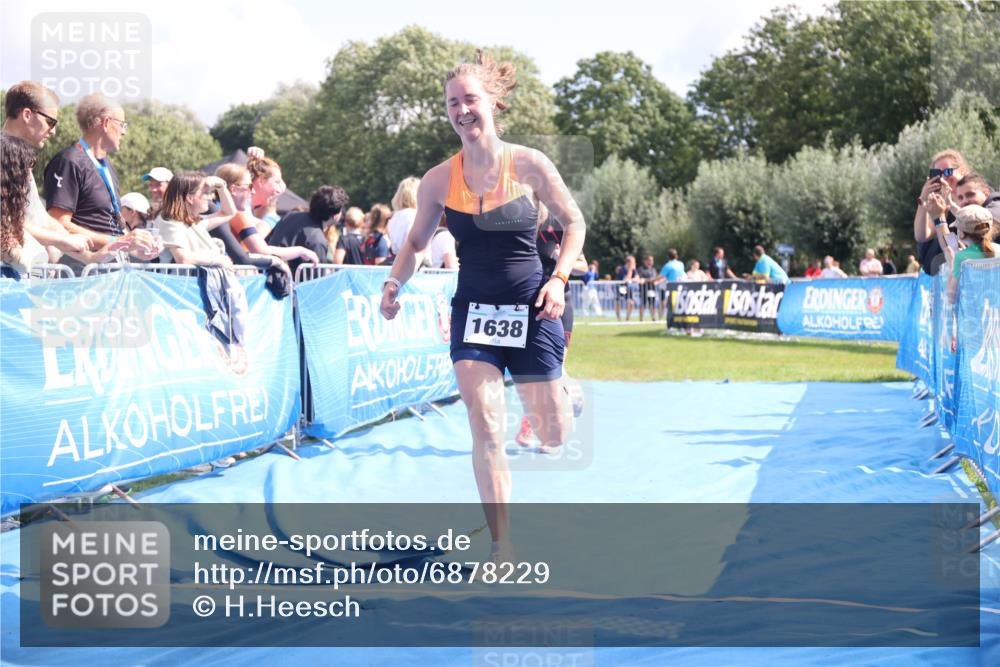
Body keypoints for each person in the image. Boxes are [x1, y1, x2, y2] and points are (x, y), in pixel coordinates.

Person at [379, 50, 585, 561]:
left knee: (553, 432)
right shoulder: (437, 180)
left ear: (492, 102)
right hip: (474, 312)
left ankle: (564, 389)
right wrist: (393, 283)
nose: (462, 110)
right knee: (487, 423)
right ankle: (501, 544)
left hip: (536, 305)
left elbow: (575, 224)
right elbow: (418, 242)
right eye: (453, 103)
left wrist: (559, 278)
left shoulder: (529, 164)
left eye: (470, 99)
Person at [2, 134, 158, 279]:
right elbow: (19, 235)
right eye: (24, 172)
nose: (29, 179)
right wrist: (62, 241)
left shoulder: (14, 218)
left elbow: (90, 257)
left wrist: (116, 246)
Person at [43, 93, 130, 268]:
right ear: (106, 123)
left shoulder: (107, 166)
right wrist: (117, 241)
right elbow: (58, 223)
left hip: (109, 269)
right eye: (122, 125)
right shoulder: (69, 161)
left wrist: (135, 242)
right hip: (80, 272)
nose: (124, 132)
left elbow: (110, 218)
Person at [215, 163, 318, 267]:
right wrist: (300, 251)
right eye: (250, 187)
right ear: (234, 190)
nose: (253, 191)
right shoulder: (237, 214)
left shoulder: (216, 208)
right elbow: (262, 250)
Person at [268, 185, 349, 275]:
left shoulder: (291, 216)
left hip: (267, 276)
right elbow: (316, 281)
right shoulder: (318, 241)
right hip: (285, 285)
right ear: (335, 215)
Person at [914, 149, 969, 275]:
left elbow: (971, 227)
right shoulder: (941, 204)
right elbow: (921, 235)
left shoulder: (972, 198)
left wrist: (947, 210)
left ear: (962, 171)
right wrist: (923, 198)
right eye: (938, 174)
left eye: (949, 171)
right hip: (944, 273)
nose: (944, 177)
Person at [947, 205, 995, 303]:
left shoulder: (961, 257)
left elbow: (951, 297)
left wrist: (952, 261)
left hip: (976, 312)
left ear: (961, 233)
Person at [247, 153, 286, 237]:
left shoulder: (270, 221)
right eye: (277, 182)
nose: (279, 189)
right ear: (260, 181)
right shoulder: (244, 207)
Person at [387, 176, 420, 256]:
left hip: (397, 259)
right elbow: (411, 245)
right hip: (413, 262)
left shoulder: (395, 216)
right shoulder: (414, 215)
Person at [615, 254, 638, 321]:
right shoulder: (622, 269)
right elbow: (626, 279)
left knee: (631, 303)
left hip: (628, 288)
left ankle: (627, 318)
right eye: (633, 262)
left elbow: (637, 278)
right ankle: (619, 319)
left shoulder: (633, 269)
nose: (634, 263)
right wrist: (630, 271)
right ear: (628, 262)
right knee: (618, 302)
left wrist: (631, 279)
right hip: (621, 287)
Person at [636, 254, 659, 322]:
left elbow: (656, 278)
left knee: (652, 304)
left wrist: (656, 281)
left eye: (652, 260)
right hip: (643, 289)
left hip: (652, 289)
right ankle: (641, 319)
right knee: (643, 304)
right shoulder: (641, 269)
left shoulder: (654, 269)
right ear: (645, 261)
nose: (650, 262)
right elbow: (639, 279)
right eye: (649, 260)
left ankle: (653, 318)